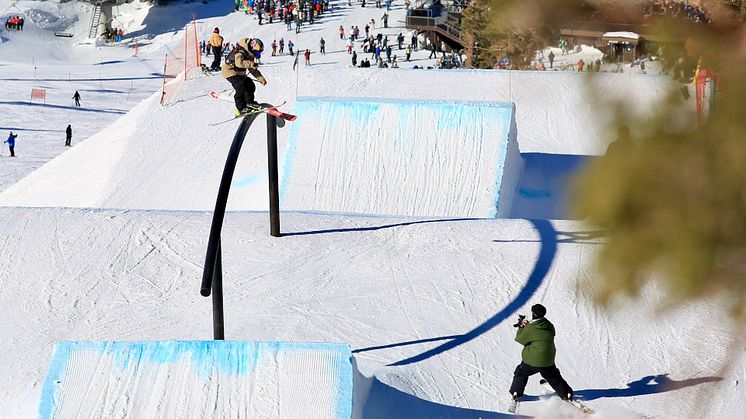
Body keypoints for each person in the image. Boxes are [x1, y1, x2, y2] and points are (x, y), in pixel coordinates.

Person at [509, 304, 574, 402]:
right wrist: (528, 326)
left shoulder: (530, 328)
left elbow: (520, 339)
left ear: (532, 313)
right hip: (548, 359)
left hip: (532, 360)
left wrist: (521, 327)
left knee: (521, 373)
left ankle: (516, 393)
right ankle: (566, 393)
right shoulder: (549, 325)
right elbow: (541, 335)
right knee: (553, 376)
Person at [221, 37, 268, 115]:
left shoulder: (250, 54)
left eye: (258, 53)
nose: (256, 55)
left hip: (240, 73)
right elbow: (238, 63)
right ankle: (241, 108)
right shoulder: (241, 52)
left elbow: (252, 69)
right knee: (240, 86)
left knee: (250, 84)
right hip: (229, 71)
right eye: (256, 52)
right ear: (252, 47)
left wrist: (261, 78)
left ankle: (249, 102)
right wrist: (251, 64)